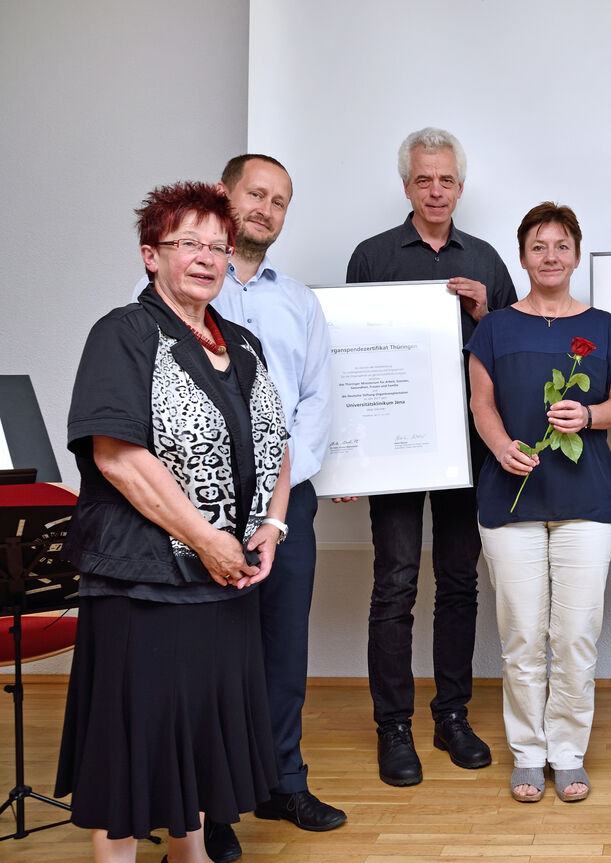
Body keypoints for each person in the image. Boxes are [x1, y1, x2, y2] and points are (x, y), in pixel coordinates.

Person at [57, 181, 290, 862]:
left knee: (195, 743)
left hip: (225, 585)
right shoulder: (123, 333)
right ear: (151, 255)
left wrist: (270, 527)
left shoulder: (242, 342)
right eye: (187, 242)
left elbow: (277, 440)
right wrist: (207, 538)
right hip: (144, 582)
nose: (206, 257)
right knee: (137, 743)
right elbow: (118, 456)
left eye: (218, 246)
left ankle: (187, 856)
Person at [129, 155, 340, 860]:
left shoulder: (298, 301)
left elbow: (314, 402)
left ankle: (283, 780)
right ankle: (207, 808)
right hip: (192, 510)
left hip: (285, 508)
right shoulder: (168, 290)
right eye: (257, 194)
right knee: (210, 660)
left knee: (282, 650)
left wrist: (274, 502)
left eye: (281, 200)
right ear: (226, 197)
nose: (267, 209)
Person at [345, 127, 517, 786]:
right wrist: (352, 456)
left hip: (465, 450)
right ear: (407, 185)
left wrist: (483, 312)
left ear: (460, 186)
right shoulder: (372, 256)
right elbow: (353, 358)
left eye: (446, 179)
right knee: (393, 584)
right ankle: (393, 726)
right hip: (391, 452)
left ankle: (451, 714)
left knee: (460, 582)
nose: (436, 190)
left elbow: (510, 356)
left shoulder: (487, 260)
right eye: (424, 179)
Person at [467, 202, 611, 803]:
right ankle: (527, 753)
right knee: (521, 635)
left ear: (576, 254)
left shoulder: (606, 327)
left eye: (561, 245)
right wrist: (501, 446)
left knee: (574, 637)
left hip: (584, 500)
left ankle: (567, 752)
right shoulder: (494, 328)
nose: (550, 256)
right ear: (523, 256)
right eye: (539, 246)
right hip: (508, 499)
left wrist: (588, 415)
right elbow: (481, 404)